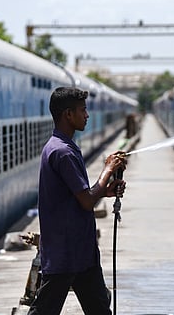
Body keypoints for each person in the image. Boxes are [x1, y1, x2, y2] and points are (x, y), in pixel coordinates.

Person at [28, 86, 127, 315]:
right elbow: (86, 202)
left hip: (80, 252)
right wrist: (107, 169)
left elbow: (80, 195)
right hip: (67, 252)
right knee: (44, 311)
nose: (87, 115)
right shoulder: (63, 152)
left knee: (100, 309)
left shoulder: (62, 147)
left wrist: (104, 191)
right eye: (82, 110)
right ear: (68, 114)